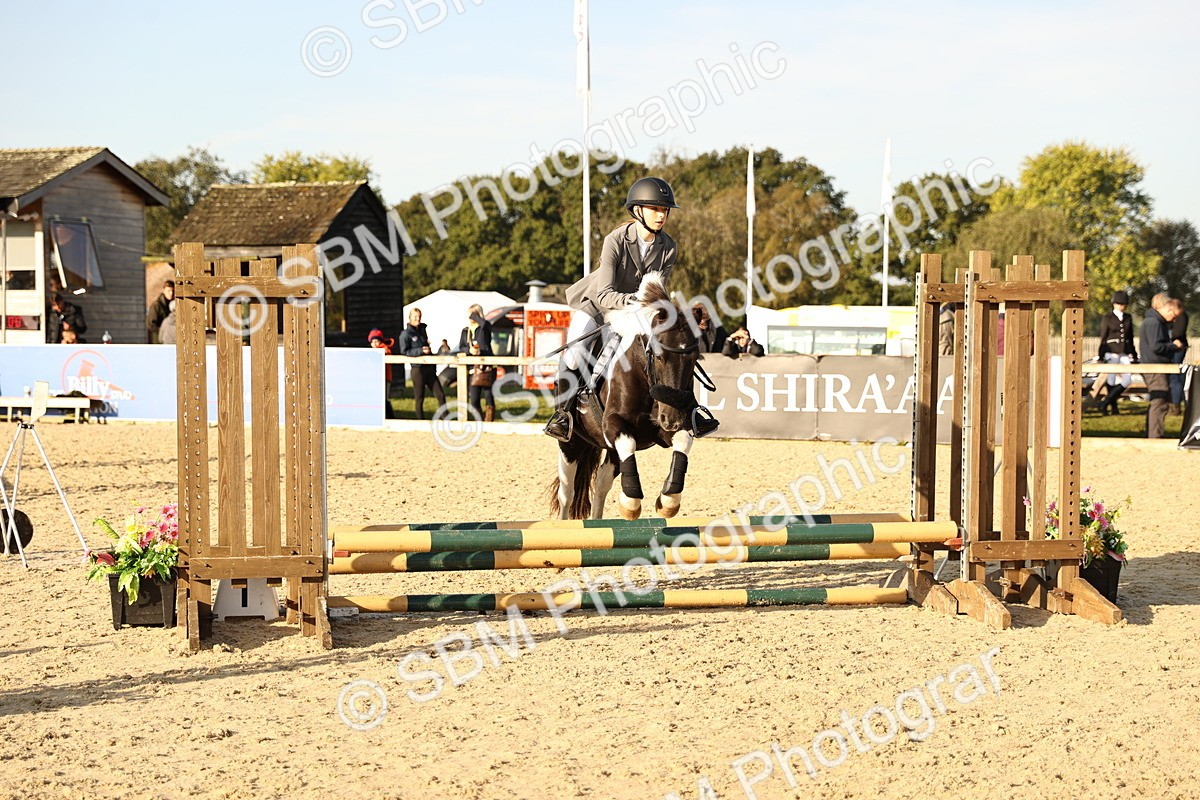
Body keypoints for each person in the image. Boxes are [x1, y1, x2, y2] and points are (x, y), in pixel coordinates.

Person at [546, 176, 712, 441]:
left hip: (637, 312)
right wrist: (637, 303)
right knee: (575, 355)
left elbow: (658, 289)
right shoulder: (615, 240)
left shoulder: (668, 246)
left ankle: (689, 411)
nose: (662, 216)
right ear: (638, 211)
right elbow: (604, 293)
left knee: (669, 351)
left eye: (665, 210)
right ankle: (562, 415)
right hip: (597, 306)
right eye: (656, 209)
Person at [1139, 293, 1183, 438]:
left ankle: (1153, 434)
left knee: (1157, 401)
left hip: (1154, 366)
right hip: (1155, 367)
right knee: (1159, 401)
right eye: (1171, 312)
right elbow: (1156, 346)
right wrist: (1173, 346)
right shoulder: (1154, 322)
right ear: (1164, 308)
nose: (1173, 317)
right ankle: (1155, 437)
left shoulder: (1153, 321)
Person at [1089, 290, 1138, 415]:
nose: (1122, 306)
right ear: (1114, 304)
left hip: (1125, 351)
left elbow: (1130, 337)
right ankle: (1114, 408)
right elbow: (1103, 337)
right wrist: (1101, 354)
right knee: (1111, 380)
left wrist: (1134, 354)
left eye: (1124, 304)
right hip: (1111, 351)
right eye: (1119, 304)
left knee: (1127, 379)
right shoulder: (1107, 318)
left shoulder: (1128, 318)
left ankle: (1105, 402)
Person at [396, 308, 447, 420]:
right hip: (417, 369)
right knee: (419, 397)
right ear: (410, 318)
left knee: (440, 394)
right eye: (415, 317)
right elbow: (404, 351)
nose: (417, 319)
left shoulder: (422, 331)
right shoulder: (405, 334)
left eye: (419, 316)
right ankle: (421, 421)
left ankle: (445, 418)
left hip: (428, 367)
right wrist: (420, 351)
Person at [368, 328, 397, 420]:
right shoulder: (371, 352)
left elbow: (387, 353)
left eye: (377, 341)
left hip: (385, 378)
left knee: (384, 398)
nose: (375, 344)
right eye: (373, 342)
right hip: (375, 379)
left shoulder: (385, 349)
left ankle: (390, 417)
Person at [1168, 299, 1189, 415]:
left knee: (1175, 376)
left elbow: (1178, 333)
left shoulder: (1181, 316)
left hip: (1178, 348)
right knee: (1175, 376)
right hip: (1172, 347)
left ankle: (1176, 404)